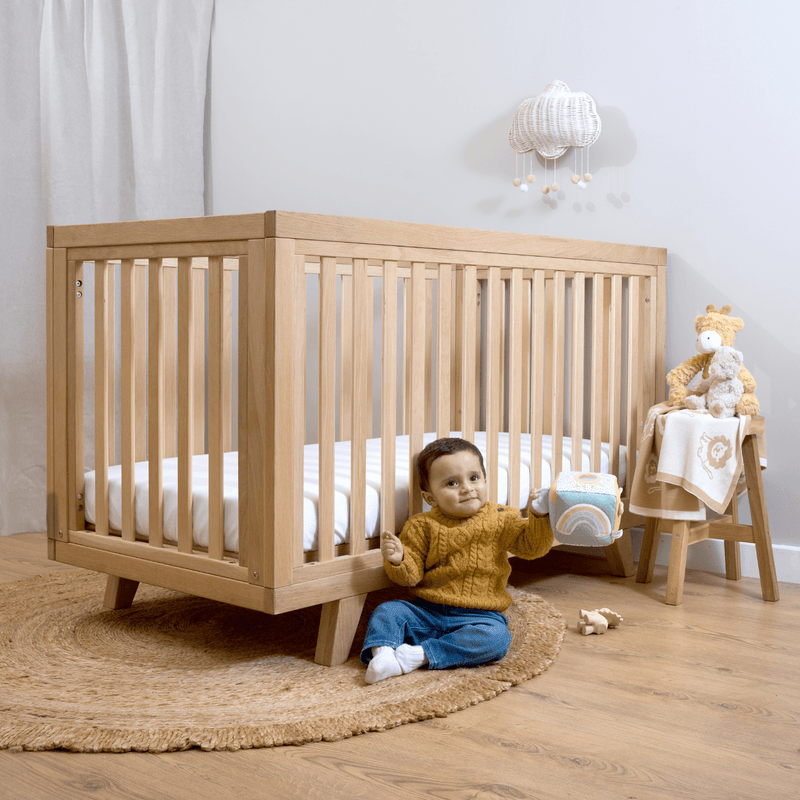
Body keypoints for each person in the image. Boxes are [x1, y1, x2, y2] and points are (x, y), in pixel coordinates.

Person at [361, 437, 553, 684]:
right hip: (428, 611)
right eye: (452, 483)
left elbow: (532, 547)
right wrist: (398, 559)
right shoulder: (422, 525)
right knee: (388, 611)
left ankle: (417, 656)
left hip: (480, 616)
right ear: (430, 498)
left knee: (497, 639)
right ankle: (384, 656)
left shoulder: (502, 518)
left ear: (485, 480)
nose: (467, 488)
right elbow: (411, 576)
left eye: (474, 478)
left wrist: (538, 515)